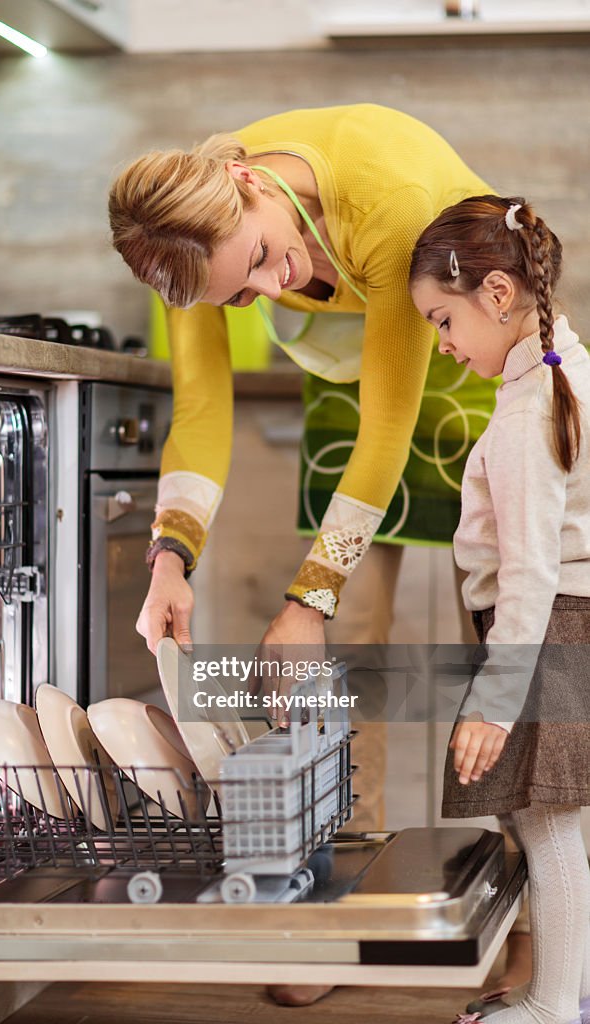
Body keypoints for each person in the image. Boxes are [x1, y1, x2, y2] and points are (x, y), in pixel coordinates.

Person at [107, 104, 524, 1005]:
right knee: (339, 672)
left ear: (251, 183)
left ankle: (530, 913)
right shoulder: (185, 241)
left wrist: (307, 597)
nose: (267, 285)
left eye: (259, 259)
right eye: (242, 294)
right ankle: (338, 914)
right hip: (350, 377)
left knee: (502, 649)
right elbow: (202, 414)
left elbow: (392, 423)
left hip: (471, 367)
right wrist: (170, 561)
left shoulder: (389, 200)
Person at [409, 194, 590, 1024]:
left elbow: (528, 568)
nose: (443, 346)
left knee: (544, 822)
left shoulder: (527, 413)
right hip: (562, 628)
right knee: (565, 823)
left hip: (543, 631)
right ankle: (565, 993)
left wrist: (493, 697)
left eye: (443, 321)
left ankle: (552, 1007)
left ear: (495, 292)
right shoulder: (567, 374)